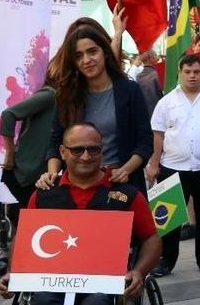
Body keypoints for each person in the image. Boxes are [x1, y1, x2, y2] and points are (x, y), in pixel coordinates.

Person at [0, 123, 161, 305]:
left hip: (103, 286)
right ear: (63, 152)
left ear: (102, 151)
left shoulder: (125, 195)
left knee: (96, 304)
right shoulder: (45, 194)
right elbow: (24, 238)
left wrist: (139, 271)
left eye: (94, 150)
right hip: (50, 282)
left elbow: (151, 238)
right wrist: (13, 273)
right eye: (77, 150)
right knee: (42, 304)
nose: (86, 156)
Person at [37, 22, 153, 194]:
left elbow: (145, 142)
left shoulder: (129, 90)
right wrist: (52, 174)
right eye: (78, 56)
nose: (86, 60)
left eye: (92, 52)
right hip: (78, 188)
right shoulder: (66, 96)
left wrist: (126, 170)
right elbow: (55, 143)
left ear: (104, 52)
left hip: (121, 186)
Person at [146, 54, 200, 277]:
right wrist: (154, 164)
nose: (192, 76)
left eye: (196, 71)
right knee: (169, 218)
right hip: (171, 167)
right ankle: (166, 260)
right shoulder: (166, 102)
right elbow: (158, 134)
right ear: (180, 72)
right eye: (187, 72)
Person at [0, 59, 59, 230]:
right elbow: (8, 114)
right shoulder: (50, 95)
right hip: (24, 172)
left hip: (35, 172)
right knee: (30, 221)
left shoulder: (62, 99)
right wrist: (9, 155)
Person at [135, 49, 162, 119]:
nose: (157, 59)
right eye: (155, 56)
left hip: (142, 114)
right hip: (157, 114)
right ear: (151, 58)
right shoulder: (158, 75)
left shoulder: (138, 77)